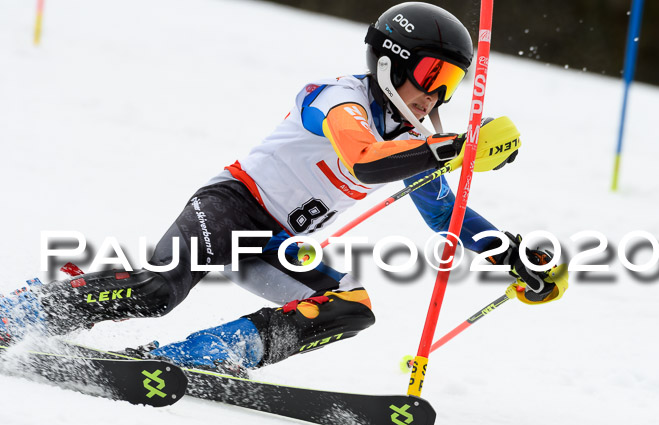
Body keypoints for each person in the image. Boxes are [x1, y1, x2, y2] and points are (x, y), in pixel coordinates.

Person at [0, 2, 564, 375]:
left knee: (351, 308)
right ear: (394, 64)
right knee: (157, 291)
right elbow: (364, 161)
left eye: (452, 84)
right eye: (432, 78)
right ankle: (20, 313)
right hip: (230, 208)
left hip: (276, 245)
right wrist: (453, 147)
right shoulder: (337, 98)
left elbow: (446, 217)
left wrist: (515, 256)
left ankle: (189, 360)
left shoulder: (418, 136)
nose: (437, 98)